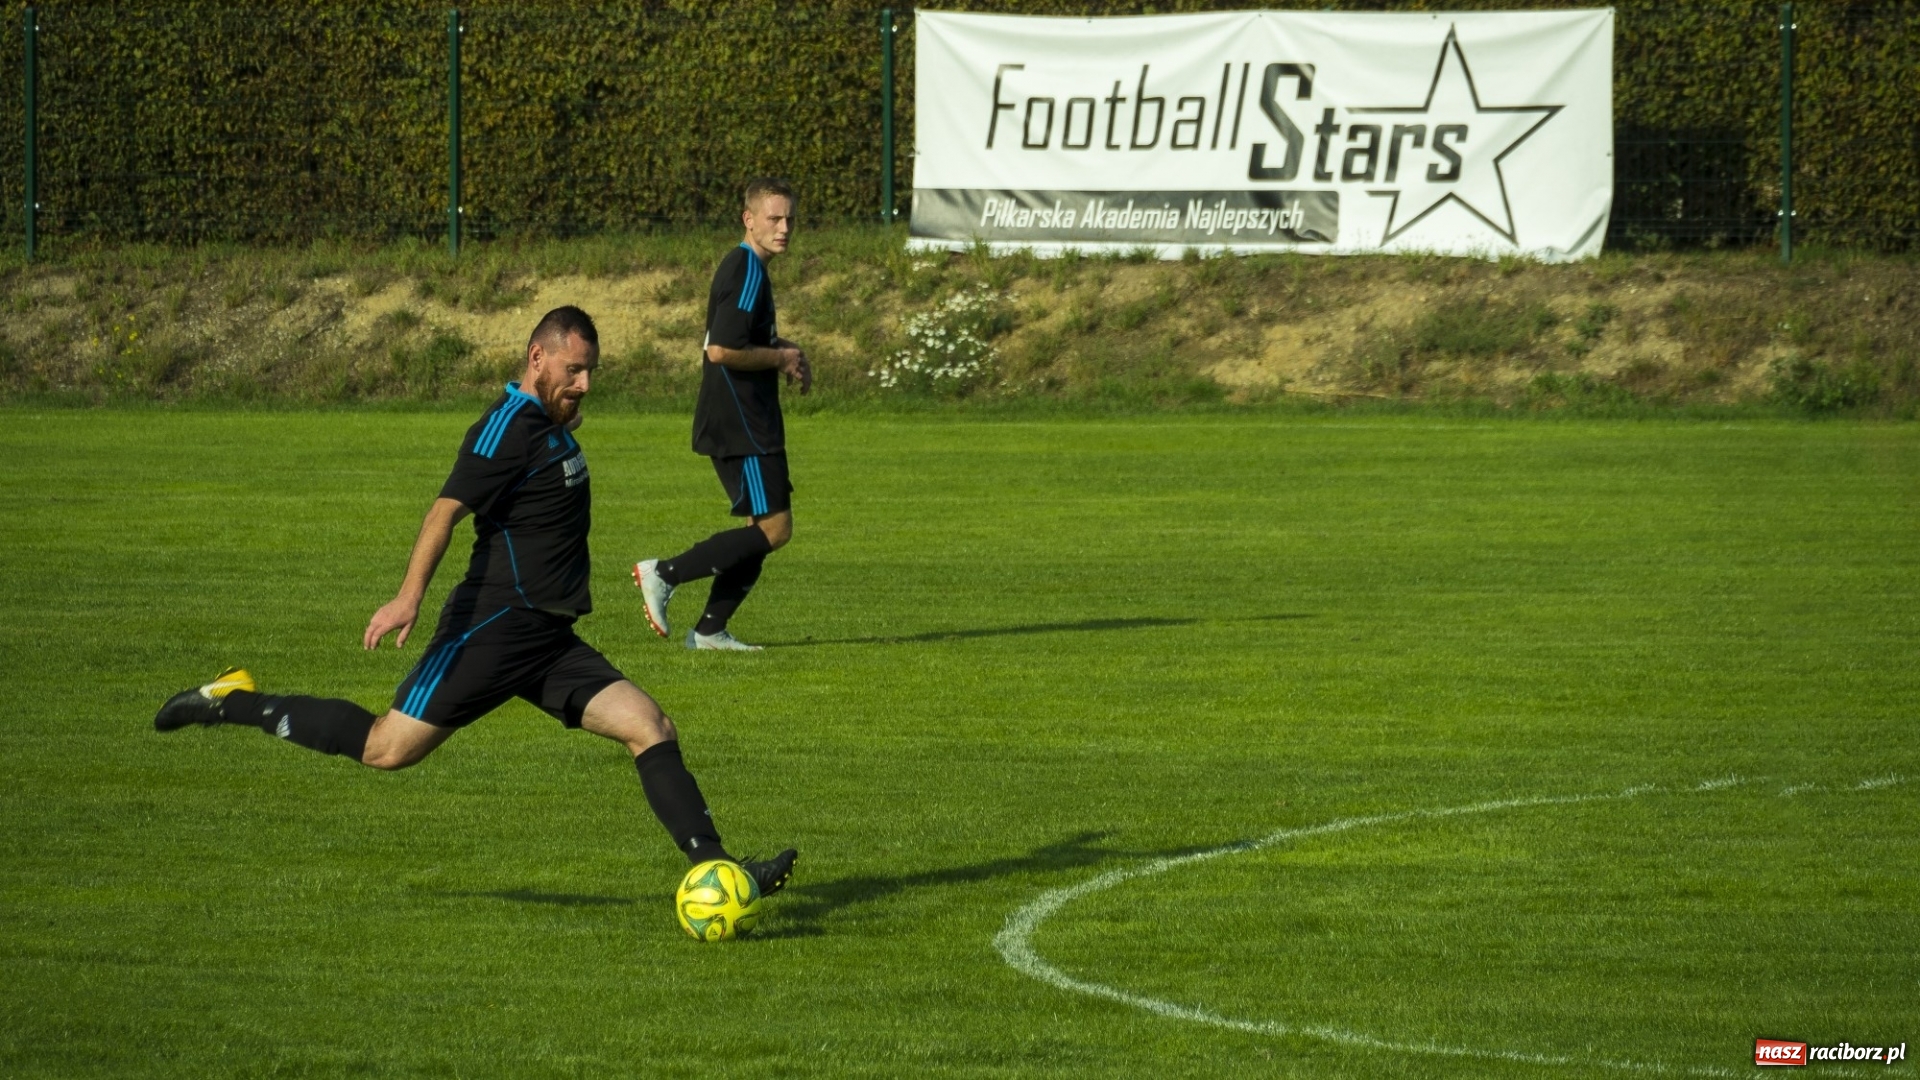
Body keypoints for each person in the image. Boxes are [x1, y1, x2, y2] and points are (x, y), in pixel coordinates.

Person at [153, 305, 796, 897]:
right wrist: (409, 598)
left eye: (591, 372)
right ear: (536, 357)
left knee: (649, 727)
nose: (585, 385)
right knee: (387, 749)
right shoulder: (503, 430)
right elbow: (445, 511)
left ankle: (720, 871)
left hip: (546, 639)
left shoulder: (549, 423)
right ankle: (228, 701)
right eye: (574, 370)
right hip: (491, 627)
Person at [634, 177, 811, 651]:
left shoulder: (749, 268)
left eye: (790, 217)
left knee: (761, 529)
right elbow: (720, 350)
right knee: (776, 529)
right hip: (744, 424)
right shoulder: (746, 269)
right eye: (774, 218)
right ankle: (664, 573)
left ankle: (711, 631)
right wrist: (780, 359)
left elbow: (740, 338)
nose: (784, 227)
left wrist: (784, 349)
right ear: (748, 219)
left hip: (749, 420)